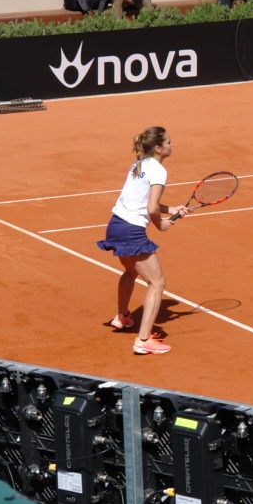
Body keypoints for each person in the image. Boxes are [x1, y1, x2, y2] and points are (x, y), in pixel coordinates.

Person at [95, 127, 189, 355]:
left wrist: (172, 208)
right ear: (158, 148)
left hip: (115, 225)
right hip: (131, 232)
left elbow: (143, 200)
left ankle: (122, 316)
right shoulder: (159, 171)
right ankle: (143, 340)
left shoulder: (139, 164)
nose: (172, 144)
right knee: (157, 283)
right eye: (169, 142)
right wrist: (161, 224)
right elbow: (151, 208)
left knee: (131, 272)